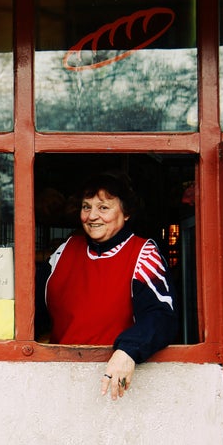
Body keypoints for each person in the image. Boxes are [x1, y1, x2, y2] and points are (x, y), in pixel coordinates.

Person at [45, 171, 178, 400]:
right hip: (58, 381)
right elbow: (35, 310)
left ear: (126, 213)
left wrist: (129, 350)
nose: (92, 216)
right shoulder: (64, 250)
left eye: (103, 208)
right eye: (86, 207)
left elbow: (162, 317)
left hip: (111, 384)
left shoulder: (143, 254)